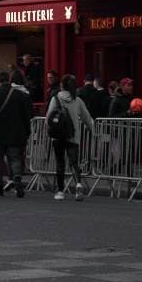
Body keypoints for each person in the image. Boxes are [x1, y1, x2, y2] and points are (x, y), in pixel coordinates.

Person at [46, 73, 94, 201]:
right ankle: (78, 184)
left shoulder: (55, 99)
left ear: (61, 85)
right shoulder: (77, 101)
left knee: (60, 163)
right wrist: (92, 130)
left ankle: (61, 191)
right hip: (73, 135)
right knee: (74, 162)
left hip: (58, 136)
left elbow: (48, 118)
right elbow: (87, 118)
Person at [0, 69, 32, 197]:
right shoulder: (20, 95)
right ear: (9, 80)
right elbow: (26, 115)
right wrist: (27, 132)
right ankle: (17, 177)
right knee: (15, 158)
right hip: (15, 133)